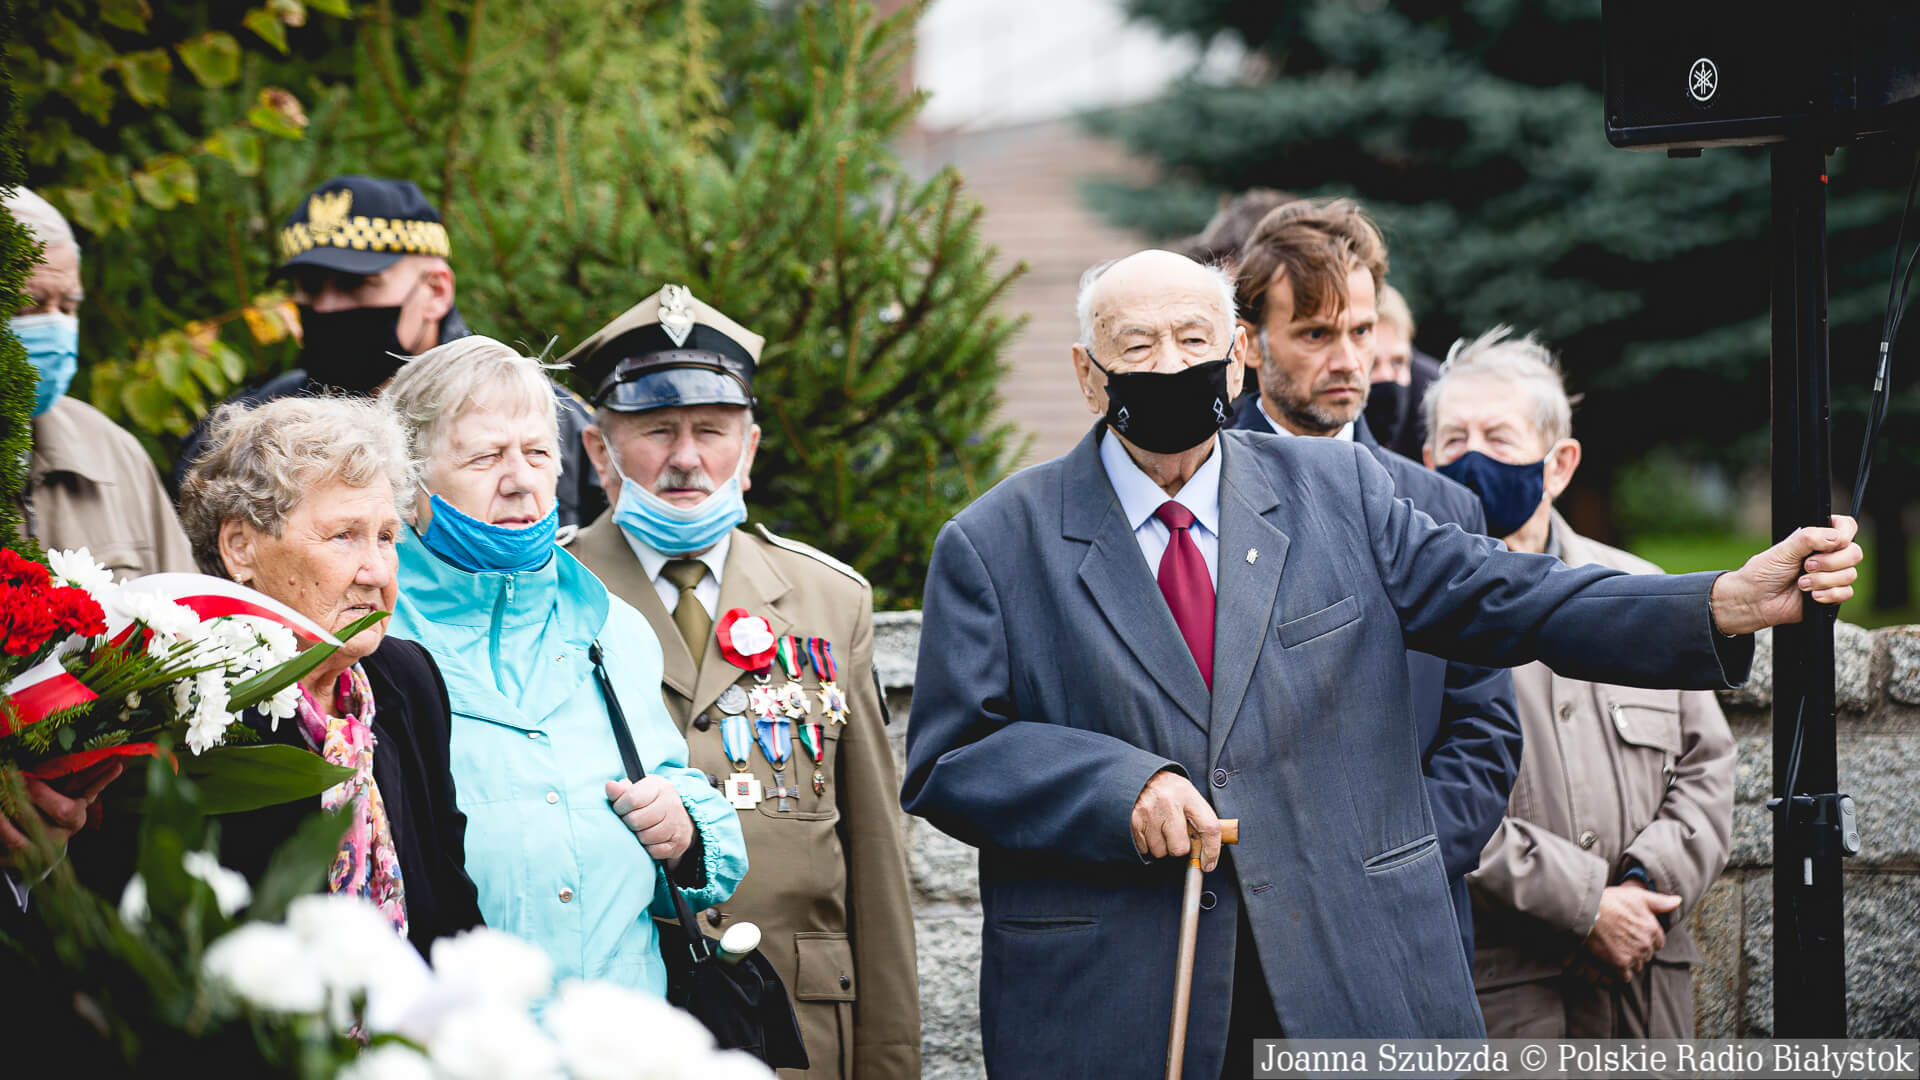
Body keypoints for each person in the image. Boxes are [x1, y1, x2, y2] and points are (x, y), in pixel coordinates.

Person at [900, 247, 1859, 1078]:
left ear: (1236, 354)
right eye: (1136, 345)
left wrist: (1719, 603)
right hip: (1125, 998)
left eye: (1193, 339)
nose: (1169, 364)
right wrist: (1121, 786)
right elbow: (952, 759)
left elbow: (1505, 594)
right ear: (1087, 373)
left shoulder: (1341, 490)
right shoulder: (997, 542)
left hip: (1350, 979)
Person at [563, 284, 920, 1079]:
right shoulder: (553, 594)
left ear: (750, 449)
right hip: (617, 1025)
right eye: (658, 429)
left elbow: (873, 855)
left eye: (711, 431)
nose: (686, 458)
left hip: (801, 1028)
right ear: (599, 451)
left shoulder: (831, 600)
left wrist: (891, 1062)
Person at [382, 335, 746, 993]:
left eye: (537, 453)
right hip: (450, 1035)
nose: (519, 479)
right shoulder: (369, 642)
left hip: (618, 1031)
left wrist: (683, 825)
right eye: (485, 456)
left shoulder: (613, 628)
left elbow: (687, 826)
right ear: (407, 483)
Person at [1226, 198, 1520, 967]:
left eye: (1361, 332)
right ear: (1249, 344)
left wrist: (1398, 867)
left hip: (1410, 929)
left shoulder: (1445, 507)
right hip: (1247, 939)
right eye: (1315, 334)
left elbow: (1485, 729)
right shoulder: (1196, 498)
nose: (1348, 360)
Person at [1424, 327, 1734, 1039]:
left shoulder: (1642, 591)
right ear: (1427, 461)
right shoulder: (1414, 616)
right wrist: (1584, 904)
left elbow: (1708, 765)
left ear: (1559, 464)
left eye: (1498, 438)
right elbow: (1416, 795)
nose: (1472, 458)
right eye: (1453, 440)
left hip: (1644, 987)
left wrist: (1645, 887)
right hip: (1502, 988)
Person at [172, 395, 485, 955]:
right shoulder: (189, 703)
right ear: (240, 548)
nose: (378, 571)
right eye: (344, 535)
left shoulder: (407, 679)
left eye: (386, 536)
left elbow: (449, 894)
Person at [171, 175, 606, 527]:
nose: (326, 307)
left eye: (354, 285)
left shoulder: (552, 423)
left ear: (436, 291)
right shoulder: (249, 430)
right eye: (310, 287)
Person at [5, 187, 193, 578]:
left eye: (68, 306)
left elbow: (189, 609)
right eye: (29, 305)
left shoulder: (111, 453)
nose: (55, 325)